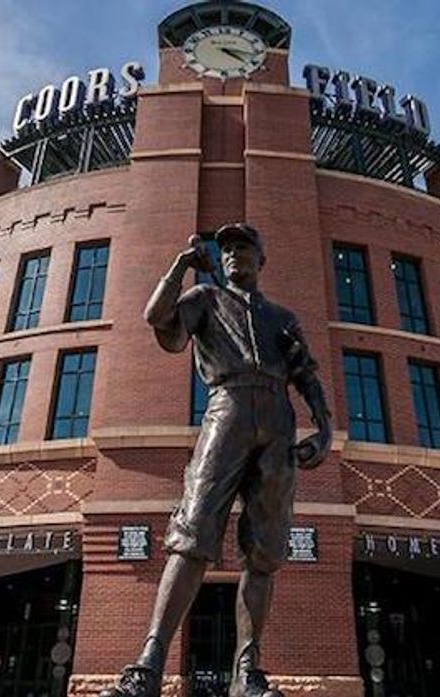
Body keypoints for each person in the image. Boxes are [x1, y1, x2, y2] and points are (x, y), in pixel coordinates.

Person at [99, 223, 333, 697]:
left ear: (260, 259)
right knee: (192, 534)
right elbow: (156, 317)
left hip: (278, 420)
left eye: (243, 248)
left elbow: (306, 375)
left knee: (264, 551)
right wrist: (182, 265)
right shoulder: (204, 298)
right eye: (226, 249)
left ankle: (248, 671)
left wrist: (325, 428)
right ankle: (148, 665)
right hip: (226, 408)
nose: (233, 255)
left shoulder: (283, 318)